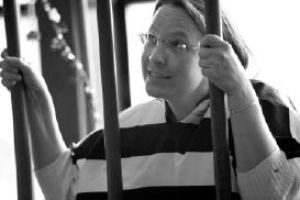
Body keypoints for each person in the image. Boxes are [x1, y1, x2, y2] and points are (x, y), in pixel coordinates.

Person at [1, 0, 300, 199]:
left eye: (177, 44)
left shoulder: (262, 105)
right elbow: (65, 188)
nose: (154, 57)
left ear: (218, 52)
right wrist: (37, 99)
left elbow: (273, 194)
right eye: (151, 39)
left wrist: (238, 90)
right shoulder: (128, 127)